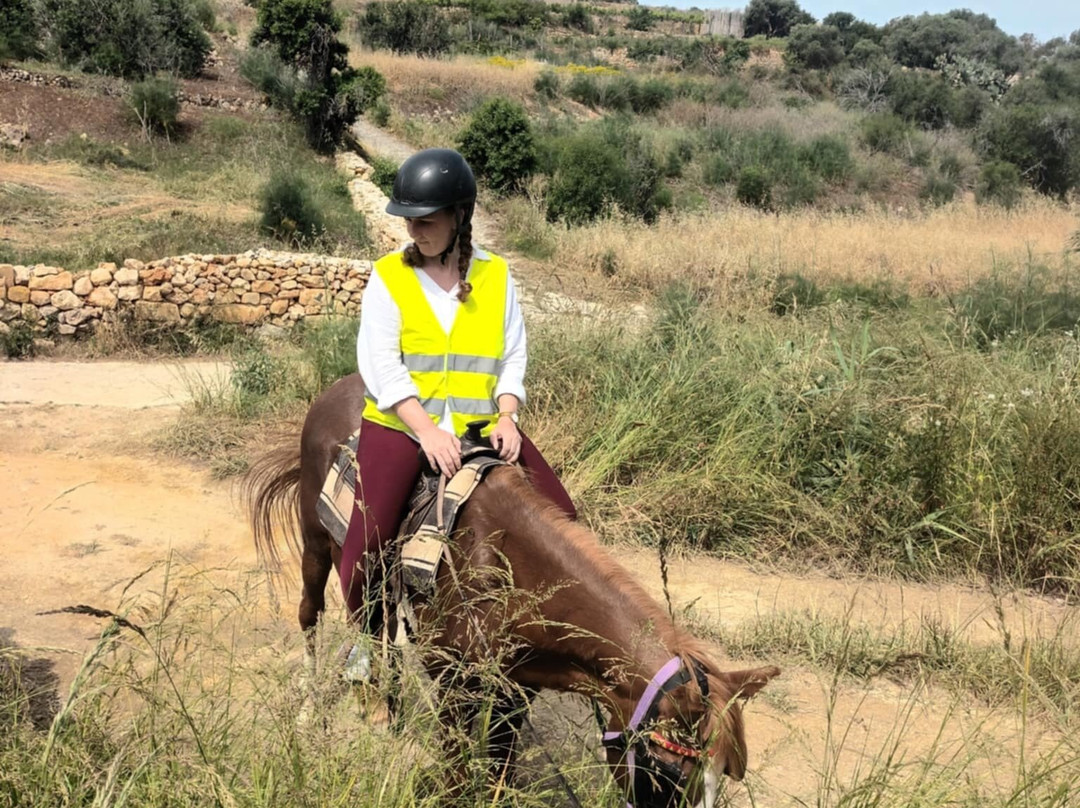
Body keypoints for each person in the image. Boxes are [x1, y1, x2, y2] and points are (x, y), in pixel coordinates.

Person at [342, 147, 576, 623]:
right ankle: (361, 639)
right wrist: (426, 431)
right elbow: (383, 365)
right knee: (365, 545)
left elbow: (513, 355)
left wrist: (508, 415)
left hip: (482, 427)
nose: (413, 230)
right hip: (402, 427)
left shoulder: (496, 275)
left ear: (459, 215)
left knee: (565, 520)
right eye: (409, 220)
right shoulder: (388, 277)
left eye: (425, 219)